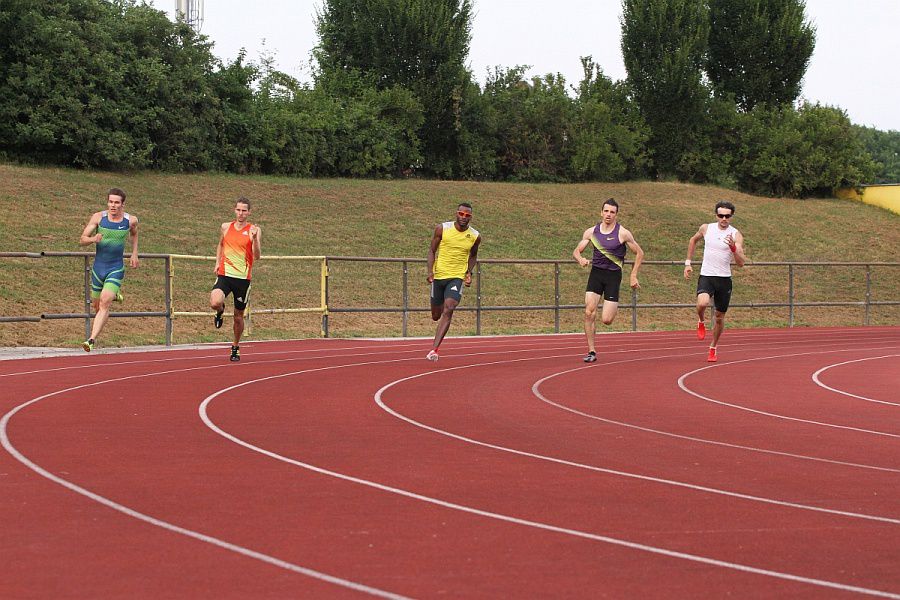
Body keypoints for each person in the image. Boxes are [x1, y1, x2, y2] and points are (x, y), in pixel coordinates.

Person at [572, 198, 644, 363]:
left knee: (606, 320)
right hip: (596, 274)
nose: (608, 215)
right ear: (601, 212)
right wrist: (580, 259)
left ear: (616, 214)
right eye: (606, 211)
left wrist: (633, 275)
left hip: (613, 276)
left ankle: (610, 308)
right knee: (589, 312)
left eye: (612, 212)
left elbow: (639, 253)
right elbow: (576, 250)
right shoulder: (591, 232)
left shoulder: (623, 233)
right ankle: (591, 351)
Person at [684, 200, 747, 362]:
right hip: (707, 275)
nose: (724, 219)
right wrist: (688, 263)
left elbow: (741, 263)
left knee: (719, 317)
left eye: (727, 216)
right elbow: (693, 240)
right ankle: (701, 320)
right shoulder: (706, 228)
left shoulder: (736, 235)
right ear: (716, 215)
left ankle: (713, 347)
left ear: (731, 216)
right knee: (702, 303)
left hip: (724, 279)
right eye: (721, 215)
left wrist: (734, 248)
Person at [78, 188, 139, 352]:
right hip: (99, 268)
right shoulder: (98, 218)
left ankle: (91, 340)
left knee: (105, 302)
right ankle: (114, 294)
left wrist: (134, 254)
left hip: (115, 268)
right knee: (97, 308)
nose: (113, 205)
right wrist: (93, 239)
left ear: (123, 204)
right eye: (111, 202)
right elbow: (82, 240)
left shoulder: (130, 220)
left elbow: (134, 234)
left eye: (117, 202)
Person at [425, 202, 481, 361]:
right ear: (456, 213)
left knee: (449, 308)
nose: (464, 217)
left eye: (467, 215)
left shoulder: (475, 236)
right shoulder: (442, 229)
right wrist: (430, 272)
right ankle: (441, 305)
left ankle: (434, 350)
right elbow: (431, 250)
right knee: (436, 315)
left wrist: (468, 272)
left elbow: (473, 255)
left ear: (471, 217)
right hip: (439, 276)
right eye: (461, 214)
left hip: (456, 277)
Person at [210, 197, 261, 362]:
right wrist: (217, 262)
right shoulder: (226, 227)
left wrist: (254, 239)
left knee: (238, 316)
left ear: (249, 212)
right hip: (225, 274)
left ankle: (235, 346)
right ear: (234, 210)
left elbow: (257, 256)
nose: (241, 213)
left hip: (242, 278)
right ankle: (219, 311)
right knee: (215, 302)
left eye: (244, 210)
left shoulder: (254, 229)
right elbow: (220, 245)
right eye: (238, 210)